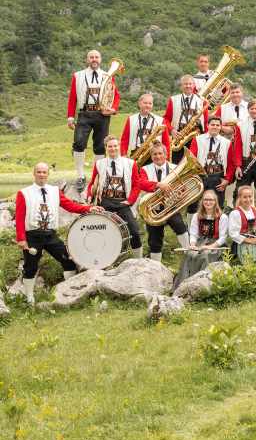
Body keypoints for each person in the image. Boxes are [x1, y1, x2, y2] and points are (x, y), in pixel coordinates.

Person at [14, 163, 104, 304]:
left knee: (68, 260)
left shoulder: (55, 191)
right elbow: (19, 217)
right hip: (32, 236)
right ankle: (29, 298)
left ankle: (70, 292)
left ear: (48, 174)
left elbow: (70, 205)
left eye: (44, 172)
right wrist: (21, 239)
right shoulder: (24, 193)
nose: (42, 174)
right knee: (30, 267)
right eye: (39, 172)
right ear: (34, 173)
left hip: (51, 235)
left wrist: (89, 209)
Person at [87, 136, 170, 258]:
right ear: (106, 148)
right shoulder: (99, 164)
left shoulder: (130, 163)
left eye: (115, 146)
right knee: (103, 232)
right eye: (110, 146)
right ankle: (104, 259)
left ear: (119, 146)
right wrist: (89, 195)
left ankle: (139, 261)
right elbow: (92, 182)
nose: (113, 148)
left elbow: (136, 185)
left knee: (134, 232)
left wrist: (130, 201)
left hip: (123, 202)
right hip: (104, 202)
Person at [67, 49, 120, 189]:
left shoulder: (107, 75)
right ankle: (80, 176)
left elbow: (116, 96)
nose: (94, 59)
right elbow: (73, 97)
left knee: (100, 146)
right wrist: (70, 117)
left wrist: (113, 109)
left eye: (96, 57)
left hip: (102, 114)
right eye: (91, 57)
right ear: (87, 59)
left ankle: (99, 176)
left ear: (100, 59)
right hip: (84, 113)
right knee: (78, 143)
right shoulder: (77, 76)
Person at [141, 143, 190, 262]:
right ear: (151, 156)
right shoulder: (145, 169)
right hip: (153, 208)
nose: (157, 156)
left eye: (160, 153)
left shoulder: (175, 168)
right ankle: (155, 266)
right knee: (154, 239)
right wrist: (158, 185)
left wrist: (179, 194)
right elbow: (141, 183)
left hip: (170, 205)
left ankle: (189, 254)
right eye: (154, 154)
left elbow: (183, 187)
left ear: (166, 154)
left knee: (180, 226)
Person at [175, 190, 228, 289]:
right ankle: (183, 286)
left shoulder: (223, 217)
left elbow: (223, 238)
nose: (208, 202)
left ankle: (203, 286)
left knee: (205, 255)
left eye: (211, 200)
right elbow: (194, 234)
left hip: (216, 245)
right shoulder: (196, 216)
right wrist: (193, 245)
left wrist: (210, 247)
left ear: (215, 202)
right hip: (200, 243)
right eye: (206, 200)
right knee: (190, 254)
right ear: (202, 202)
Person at [190, 116, 236, 208]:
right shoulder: (197, 139)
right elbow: (191, 159)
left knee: (217, 205)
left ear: (220, 127)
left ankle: (216, 222)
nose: (215, 127)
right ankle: (193, 222)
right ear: (207, 125)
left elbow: (231, 163)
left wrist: (227, 179)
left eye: (217, 125)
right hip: (201, 176)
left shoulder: (227, 143)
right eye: (212, 125)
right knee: (195, 205)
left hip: (218, 177)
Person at [164, 75, 207, 164]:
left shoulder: (202, 101)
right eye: (185, 84)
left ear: (194, 85)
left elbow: (206, 122)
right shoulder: (173, 100)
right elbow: (166, 119)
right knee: (177, 164)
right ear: (181, 86)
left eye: (190, 84)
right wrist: (172, 130)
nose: (188, 86)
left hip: (196, 136)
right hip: (178, 135)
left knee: (196, 163)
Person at [120, 93, 170, 162]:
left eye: (150, 103)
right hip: (136, 154)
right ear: (139, 103)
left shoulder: (160, 120)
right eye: (145, 103)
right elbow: (124, 140)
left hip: (155, 154)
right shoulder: (131, 119)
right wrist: (123, 155)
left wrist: (166, 158)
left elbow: (166, 142)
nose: (147, 105)